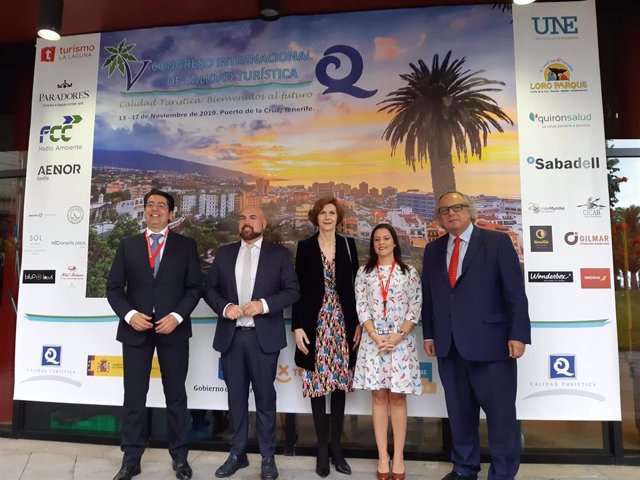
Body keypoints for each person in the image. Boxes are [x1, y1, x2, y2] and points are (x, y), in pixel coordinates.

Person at [421, 191, 531, 480]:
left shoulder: (496, 243)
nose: (451, 213)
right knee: (460, 414)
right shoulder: (433, 251)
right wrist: (429, 335)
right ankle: (464, 468)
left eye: (457, 207)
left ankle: (503, 473)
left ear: (470, 211)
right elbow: (430, 298)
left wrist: (518, 334)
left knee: (501, 416)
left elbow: (515, 294)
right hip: (449, 345)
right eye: (445, 210)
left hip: (492, 344)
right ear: (440, 218)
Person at [107, 189, 201, 480]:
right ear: (145, 211)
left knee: (176, 397)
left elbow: (194, 288)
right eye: (150, 205)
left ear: (171, 213)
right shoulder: (128, 245)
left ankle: (180, 458)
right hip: (136, 331)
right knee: (134, 397)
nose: (155, 209)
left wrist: (175, 317)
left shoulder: (186, 246)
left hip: (173, 331)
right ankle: (131, 459)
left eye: (161, 205)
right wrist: (130, 315)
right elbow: (113, 289)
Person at [203, 206, 300, 480]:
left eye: (253, 217)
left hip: (263, 339)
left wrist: (264, 305)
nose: (247, 222)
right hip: (232, 338)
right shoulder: (224, 253)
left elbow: (293, 291)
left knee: (266, 400)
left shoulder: (277, 255)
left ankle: (268, 457)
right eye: (243, 218)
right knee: (235, 400)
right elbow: (209, 289)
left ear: (264, 223)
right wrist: (225, 308)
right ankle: (237, 454)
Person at [292, 197, 361, 478]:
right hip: (315, 323)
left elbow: (357, 288)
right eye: (323, 213)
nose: (328, 217)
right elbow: (297, 289)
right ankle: (321, 449)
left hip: (343, 323)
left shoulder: (349, 245)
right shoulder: (305, 247)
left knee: (339, 386)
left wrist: (357, 323)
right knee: (318, 385)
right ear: (315, 217)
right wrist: (297, 326)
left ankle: (336, 447)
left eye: (332, 213)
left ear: (339, 217)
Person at [353, 223, 422, 480]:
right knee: (379, 397)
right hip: (374, 343)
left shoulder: (409, 272)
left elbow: (415, 306)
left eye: (386, 238)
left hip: (400, 342)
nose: (381, 242)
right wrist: (374, 335)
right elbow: (361, 306)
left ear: (395, 242)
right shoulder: (364, 273)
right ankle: (383, 456)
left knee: (398, 399)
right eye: (376, 239)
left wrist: (398, 335)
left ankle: (399, 457)